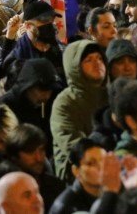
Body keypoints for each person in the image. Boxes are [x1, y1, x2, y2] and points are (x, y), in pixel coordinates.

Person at [51, 40, 108, 180]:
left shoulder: (110, 93)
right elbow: (72, 144)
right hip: (75, 169)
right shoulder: (65, 101)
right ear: (75, 67)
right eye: (89, 60)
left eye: (100, 58)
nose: (97, 63)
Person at [4, 124, 64, 210]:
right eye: (30, 152)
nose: (39, 158)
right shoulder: (4, 189)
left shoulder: (57, 186)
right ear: (14, 156)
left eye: (41, 150)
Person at [49, 138, 107, 214]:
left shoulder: (115, 192)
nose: (101, 167)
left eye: (105, 161)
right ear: (76, 171)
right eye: (91, 163)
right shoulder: (66, 207)